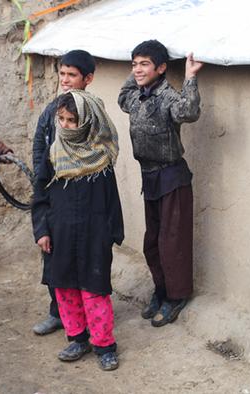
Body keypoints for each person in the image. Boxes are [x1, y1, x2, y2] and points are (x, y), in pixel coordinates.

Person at [32, 90, 124, 371]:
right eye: (61, 119)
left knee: (94, 290)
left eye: (72, 120)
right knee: (65, 289)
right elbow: (40, 196)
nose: (66, 126)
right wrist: (42, 231)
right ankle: (77, 338)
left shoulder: (101, 159)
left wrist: (111, 235)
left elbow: (111, 202)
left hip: (93, 235)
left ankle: (104, 345)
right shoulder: (53, 155)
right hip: (59, 234)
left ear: (87, 122)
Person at [117, 40, 202, 327]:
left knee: (171, 243)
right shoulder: (137, 96)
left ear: (162, 68)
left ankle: (176, 297)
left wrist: (190, 77)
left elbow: (188, 112)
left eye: (144, 64)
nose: (137, 70)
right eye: (134, 64)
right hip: (150, 177)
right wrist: (139, 73)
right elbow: (122, 95)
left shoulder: (168, 97)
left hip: (172, 177)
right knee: (152, 242)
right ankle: (161, 290)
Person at [30, 49, 96, 336]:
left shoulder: (93, 114)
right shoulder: (52, 110)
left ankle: (89, 319)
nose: (66, 80)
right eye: (62, 74)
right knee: (53, 257)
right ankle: (58, 311)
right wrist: (40, 179)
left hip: (83, 201)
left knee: (84, 261)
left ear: (88, 79)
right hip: (55, 199)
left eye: (72, 75)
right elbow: (38, 145)